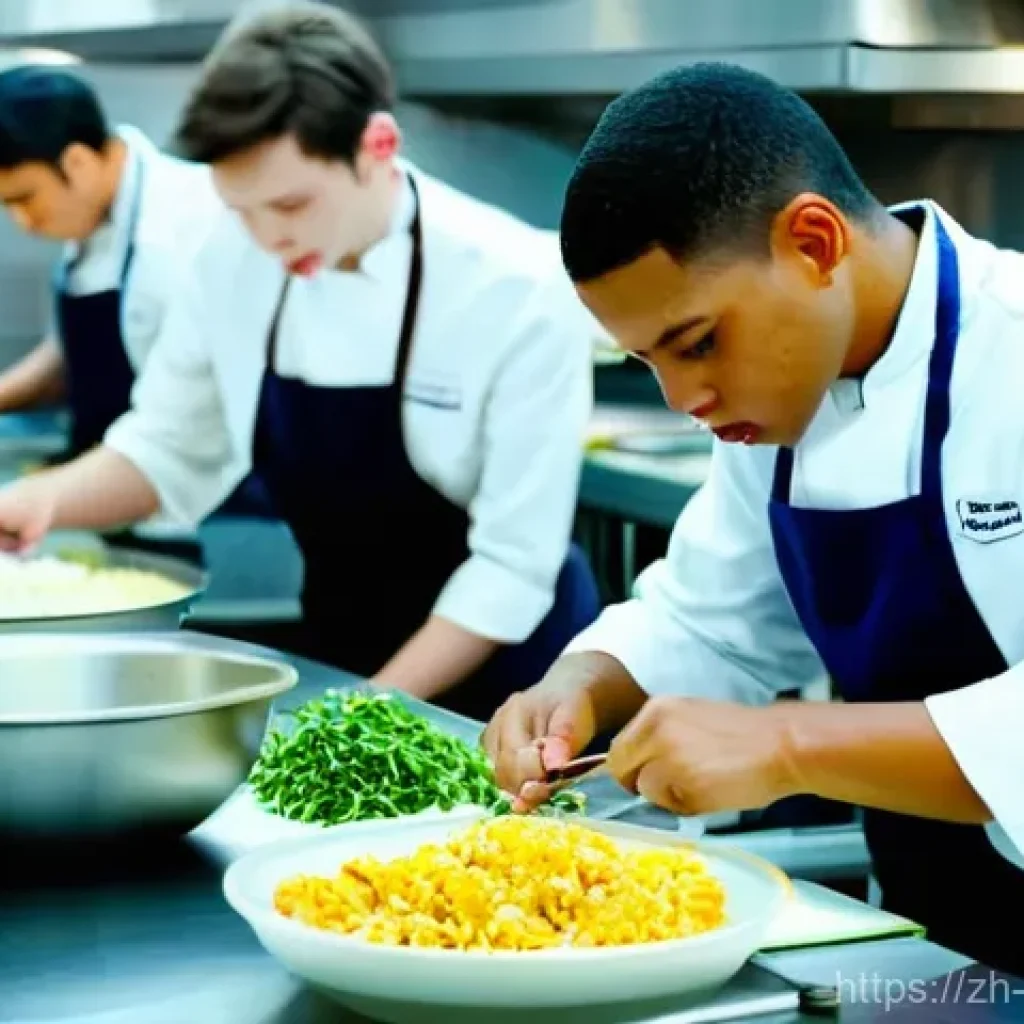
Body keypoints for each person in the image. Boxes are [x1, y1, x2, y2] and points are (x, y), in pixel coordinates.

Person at [483, 62, 1024, 973]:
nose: (685, 394)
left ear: (814, 242)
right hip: (935, 948)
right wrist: (582, 682)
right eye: (649, 360)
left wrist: (786, 744)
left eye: (698, 343)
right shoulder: (769, 401)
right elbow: (711, 617)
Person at [0, 3, 600, 720]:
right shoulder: (230, 257)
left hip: (511, 693)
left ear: (377, 145)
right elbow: (168, 448)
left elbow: (513, 567)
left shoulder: (514, 287)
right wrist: (37, 503)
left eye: (289, 204)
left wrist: (368, 710)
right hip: (343, 657)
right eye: (241, 207)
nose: (267, 237)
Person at [0, 65, 268, 526]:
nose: (22, 222)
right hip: (109, 489)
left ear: (78, 163)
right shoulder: (89, 218)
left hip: (206, 511)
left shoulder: (189, 227)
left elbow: (181, 430)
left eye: (25, 199)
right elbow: (75, 355)